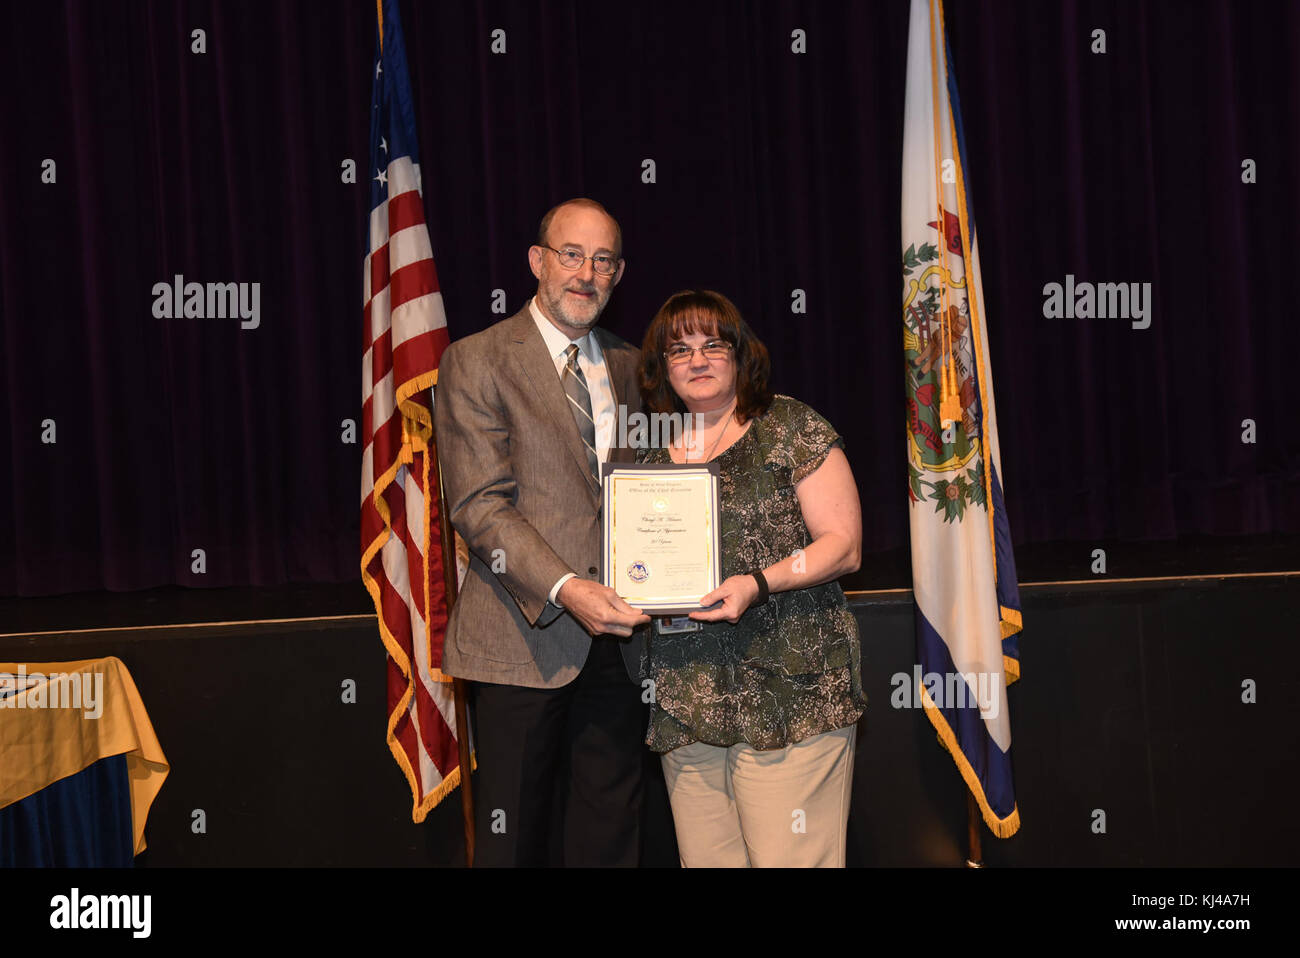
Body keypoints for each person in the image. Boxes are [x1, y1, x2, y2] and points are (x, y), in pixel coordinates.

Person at [433, 198, 651, 866]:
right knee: (512, 839)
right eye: (572, 254)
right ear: (538, 262)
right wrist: (567, 587)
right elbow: (479, 506)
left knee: (609, 834)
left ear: (618, 274)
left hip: (621, 644)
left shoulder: (633, 365)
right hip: (520, 641)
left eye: (604, 259)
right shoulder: (476, 360)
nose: (587, 273)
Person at [636, 288, 866, 867]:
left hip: (793, 691)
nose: (697, 360)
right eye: (679, 349)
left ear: (740, 353)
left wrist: (756, 584)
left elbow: (844, 547)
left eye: (713, 344)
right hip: (689, 698)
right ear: (662, 367)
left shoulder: (787, 425)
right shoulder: (649, 460)